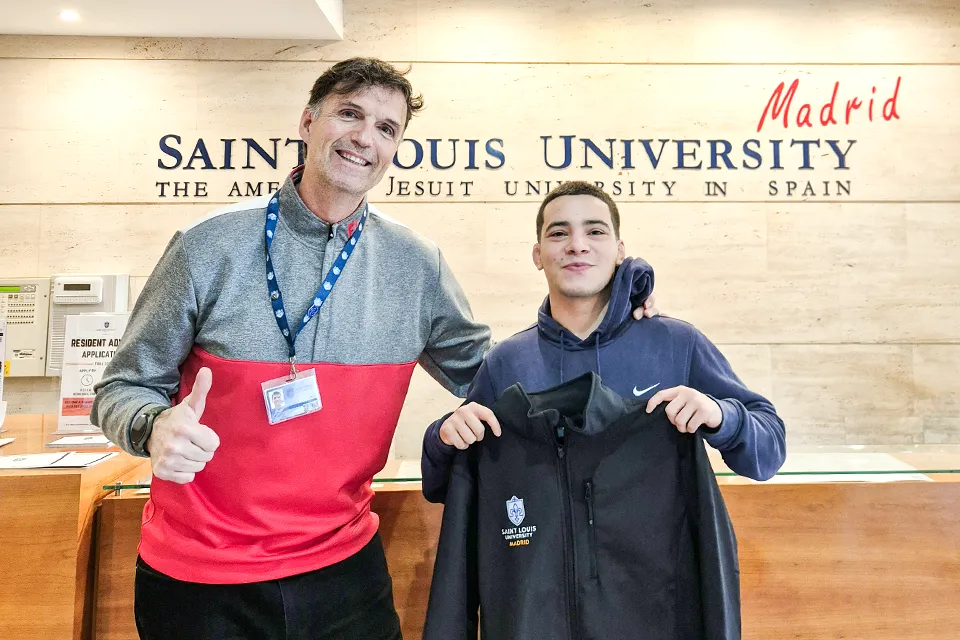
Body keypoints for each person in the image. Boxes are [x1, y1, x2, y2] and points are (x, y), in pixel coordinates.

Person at [92, 58, 659, 640]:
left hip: (343, 572)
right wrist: (151, 425)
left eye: (386, 128)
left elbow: (508, 381)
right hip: (199, 578)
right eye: (349, 114)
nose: (366, 136)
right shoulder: (206, 246)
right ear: (308, 123)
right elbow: (121, 387)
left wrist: (610, 306)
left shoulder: (415, 265)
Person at [421, 180, 786, 504]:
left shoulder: (676, 343)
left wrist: (723, 416)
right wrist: (441, 438)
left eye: (595, 232)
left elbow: (767, 456)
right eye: (559, 233)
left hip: (658, 579)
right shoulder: (506, 362)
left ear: (619, 250)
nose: (577, 245)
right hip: (545, 578)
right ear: (538, 255)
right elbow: (444, 488)